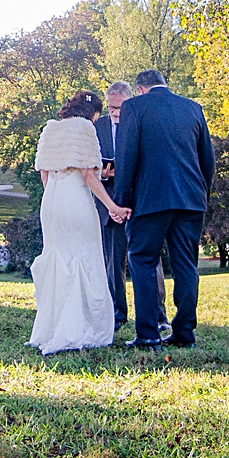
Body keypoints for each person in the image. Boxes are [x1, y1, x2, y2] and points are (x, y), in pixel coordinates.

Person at [113, 68, 215, 350]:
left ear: (140, 89)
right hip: (191, 199)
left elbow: (126, 156)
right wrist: (201, 193)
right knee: (186, 265)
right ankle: (185, 334)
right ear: (163, 84)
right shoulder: (193, 108)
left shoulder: (134, 107)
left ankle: (148, 335)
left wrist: (121, 201)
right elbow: (208, 158)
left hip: (150, 198)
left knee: (143, 260)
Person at [29, 92, 131, 354]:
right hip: (75, 201)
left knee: (58, 258)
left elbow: (45, 171)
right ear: (93, 113)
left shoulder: (51, 128)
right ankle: (82, 326)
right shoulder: (85, 128)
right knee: (84, 258)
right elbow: (87, 175)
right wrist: (113, 207)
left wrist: (55, 195)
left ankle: (51, 327)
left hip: (51, 201)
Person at [94, 82, 134, 330]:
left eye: (119, 107)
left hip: (136, 201)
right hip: (107, 203)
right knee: (113, 263)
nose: (115, 112)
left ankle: (158, 314)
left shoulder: (138, 122)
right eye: (111, 107)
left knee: (149, 262)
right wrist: (103, 173)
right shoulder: (97, 127)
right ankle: (118, 314)